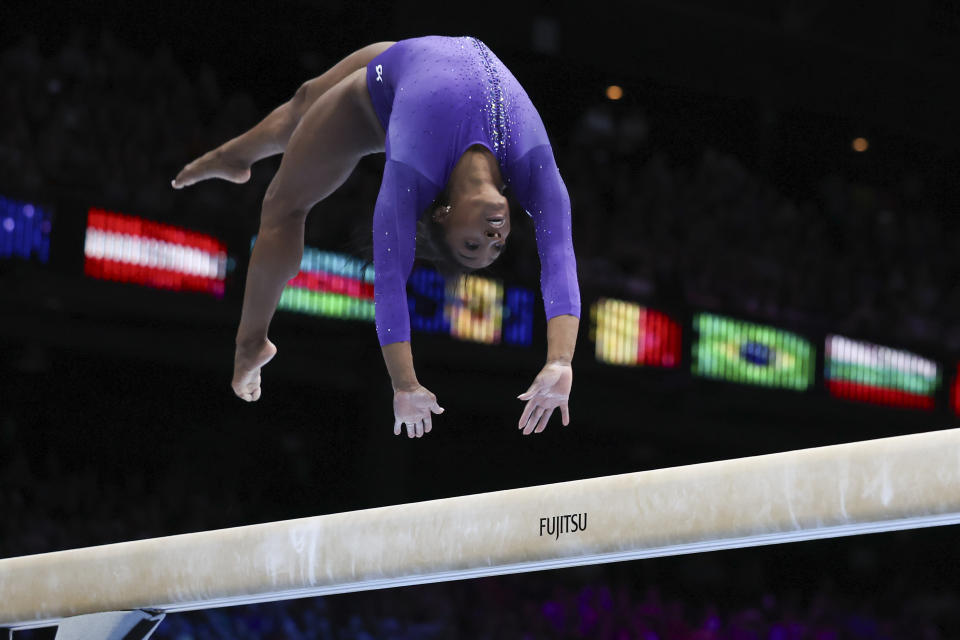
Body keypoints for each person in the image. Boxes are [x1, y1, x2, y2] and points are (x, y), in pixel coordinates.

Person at [172, 37, 580, 439]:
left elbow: (389, 284)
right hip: (408, 58)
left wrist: (405, 384)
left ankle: (250, 343)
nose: (493, 238)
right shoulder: (532, 170)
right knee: (304, 99)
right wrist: (561, 360)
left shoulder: (413, 172)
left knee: (283, 206)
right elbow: (560, 256)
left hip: (369, 105)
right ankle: (235, 157)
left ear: (444, 215)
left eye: (472, 245)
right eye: (496, 246)